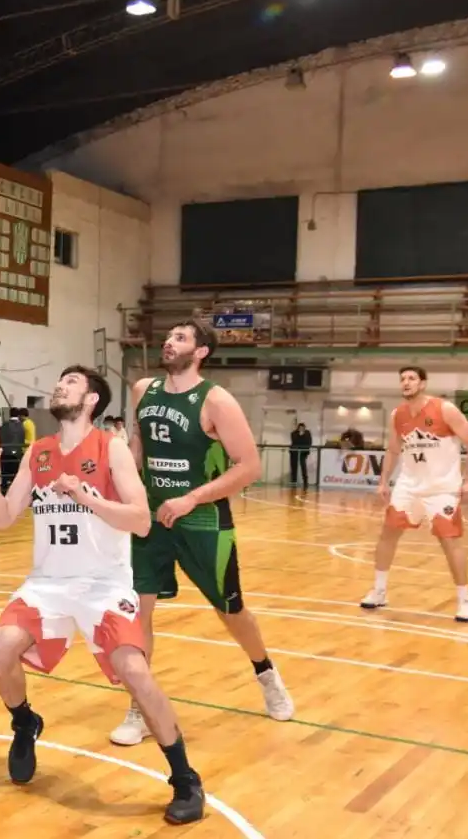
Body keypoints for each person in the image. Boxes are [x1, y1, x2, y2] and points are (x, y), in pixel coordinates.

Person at [0, 365, 205, 824]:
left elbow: (141, 520)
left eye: (71, 382)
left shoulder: (110, 449)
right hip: (48, 584)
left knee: (135, 670)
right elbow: (5, 517)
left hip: (103, 585)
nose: (61, 385)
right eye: (61, 381)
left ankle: (185, 778)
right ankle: (24, 723)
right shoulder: (39, 451)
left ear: (92, 399)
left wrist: (85, 496)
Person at [111, 321, 294, 748]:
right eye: (168, 336)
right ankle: (139, 705)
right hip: (152, 519)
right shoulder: (143, 391)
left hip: (203, 522)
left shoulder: (217, 400)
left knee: (232, 612)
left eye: (180, 338)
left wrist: (192, 499)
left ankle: (266, 673)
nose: (168, 342)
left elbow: (248, 467)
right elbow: (140, 444)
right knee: (139, 611)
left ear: (201, 352)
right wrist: (121, 474)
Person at [359, 366, 468, 622]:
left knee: (450, 541)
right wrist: (383, 482)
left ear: (423, 384)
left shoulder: (444, 409)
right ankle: (379, 590)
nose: (406, 382)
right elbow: (393, 450)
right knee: (388, 533)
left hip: (442, 487)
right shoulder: (397, 414)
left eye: (412, 378)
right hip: (409, 485)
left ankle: (464, 600)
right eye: (402, 378)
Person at [289, 423, 312, 489]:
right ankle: (294, 481)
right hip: (294, 452)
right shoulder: (294, 433)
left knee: (303, 467)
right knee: (294, 467)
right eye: (300, 428)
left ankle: (305, 482)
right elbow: (295, 441)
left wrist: (303, 435)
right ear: (298, 428)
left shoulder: (307, 433)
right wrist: (300, 435)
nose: (301, 429)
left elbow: (309, 442)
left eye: (302, 428)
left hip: (303, 452)